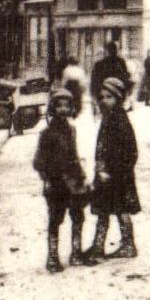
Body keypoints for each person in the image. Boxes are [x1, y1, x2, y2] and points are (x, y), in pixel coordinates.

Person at [33, 87, 90, 272]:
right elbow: (39, 162)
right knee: (55, 219)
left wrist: (81, 175)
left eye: (67, 106)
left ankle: (76, 253)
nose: (63, 110)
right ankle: (52, 257)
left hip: (73, 181)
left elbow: (74, 154)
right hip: (56, 183)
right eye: (59, 106)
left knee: (77, 216)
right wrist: (47, 177)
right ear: (53, 109)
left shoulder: (72, 131)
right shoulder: (46, 134)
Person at [87, 76, 141, 261]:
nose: (104, 101)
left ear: (118, 98)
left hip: (116, 177)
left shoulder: (120, 121)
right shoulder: (109, 118)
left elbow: (130, 152)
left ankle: (127, 244)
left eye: (109, 97)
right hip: (106, 175)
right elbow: (101, 145)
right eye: (102, 97)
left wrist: (112, 171)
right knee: (106, 211)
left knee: (119, 210)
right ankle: (98, 246)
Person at [90, 39, 133, 105]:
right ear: (116, 51)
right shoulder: (121, 62)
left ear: (107, 51)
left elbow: (95, 81)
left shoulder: (99, 64)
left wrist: (95, 96)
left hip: (105, 93)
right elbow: (126, 76)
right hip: (118, 93)